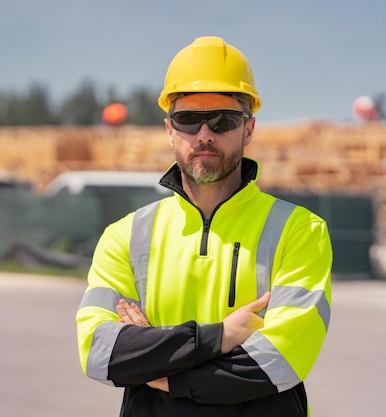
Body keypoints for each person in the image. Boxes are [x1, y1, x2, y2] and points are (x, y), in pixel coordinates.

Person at [76, 36, 333, 417]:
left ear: (248, 129)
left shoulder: (299, 231)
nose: (204, 134)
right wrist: (221, 336)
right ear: (169, 129)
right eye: (188, 119)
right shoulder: (126, 236)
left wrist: (162, 372)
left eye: (223, 119)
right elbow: (102, 353)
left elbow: (279, 362)